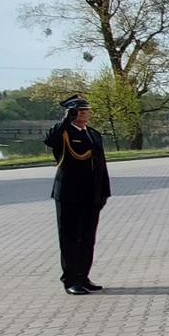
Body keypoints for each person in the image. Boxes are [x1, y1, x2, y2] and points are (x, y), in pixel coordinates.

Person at [45, 95, 110, 296]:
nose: (83, 114)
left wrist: (104, 192)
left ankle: (83, 276)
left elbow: (101, 165)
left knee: (87, 238)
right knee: (70, 239)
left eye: (85, 111)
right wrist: (65, 120)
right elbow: (50, 140)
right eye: (79, 111)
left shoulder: (93, 134)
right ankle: (70, 280)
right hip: (69, 195)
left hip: (91, 195)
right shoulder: (63, 133)